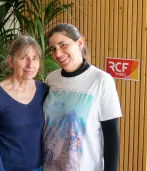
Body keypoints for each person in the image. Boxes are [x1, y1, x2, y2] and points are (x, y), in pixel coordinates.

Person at [42, 23, 122, 171]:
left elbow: (111, 137)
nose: (58, 54)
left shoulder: (101, 80)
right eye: (53, 49)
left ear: (80, 43)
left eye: (63, 45)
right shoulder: (51, 79)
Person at [0, 35, 49, 171]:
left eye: (35, 58)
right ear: (11, 61)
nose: (30, 64)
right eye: (24, 58)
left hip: (39, 167)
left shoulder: (44, 90)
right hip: (6, 167)